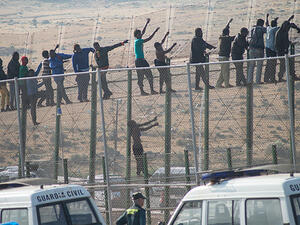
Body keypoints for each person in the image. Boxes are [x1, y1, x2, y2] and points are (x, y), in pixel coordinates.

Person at [134, 18, 160, 96]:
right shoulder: (138, 41)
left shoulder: (139, 39)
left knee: (149, 75)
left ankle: (152, 90)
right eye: (138, 34)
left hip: (142, 60)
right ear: (136, 35)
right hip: (139, 61)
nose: (140, 35)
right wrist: (154, 32)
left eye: (140, 34)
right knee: (141, 76)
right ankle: (142, 91)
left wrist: (146, 23)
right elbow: (149, 39)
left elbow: (143, 32)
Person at [275, 15, 300, 81]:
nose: (288, 29)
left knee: (289, 63)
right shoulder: (281, 33)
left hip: (283, 51)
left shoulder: (283, 30)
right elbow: (284, 42)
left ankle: (291, 75)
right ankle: (281, 77)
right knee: (284, 65)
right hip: (281, 51)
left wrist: (297, 28)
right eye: (288, 28)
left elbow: (289, 24)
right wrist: (289, 43)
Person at [248, 16, 268, 84]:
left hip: (251, 49)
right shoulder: (261, 28)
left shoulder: (252, 29)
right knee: (259, 66)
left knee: (251, 66)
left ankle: (250, 81)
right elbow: (267, 29)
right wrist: (267, 21)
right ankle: (257, 81)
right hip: (259, 49)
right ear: (261, 24)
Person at [216, 19, 235, 88]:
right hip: (224, 57)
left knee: (223, 71)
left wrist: (228, 23)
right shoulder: (227, 39)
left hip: (221, 56)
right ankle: (227, 84)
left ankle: (218, 84)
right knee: (226, 71)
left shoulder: (222, 37)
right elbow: (234, 37)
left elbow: (225, 29)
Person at [264, 15, 280, 83]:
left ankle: (266, 78)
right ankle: (272, 78)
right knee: (273, 64)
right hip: (272, 49)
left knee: (268, 64)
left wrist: (266, 17)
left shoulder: (268, 28)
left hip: (267, 48)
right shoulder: (275, 29)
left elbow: (266, 24)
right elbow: (283, 27)